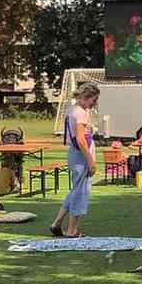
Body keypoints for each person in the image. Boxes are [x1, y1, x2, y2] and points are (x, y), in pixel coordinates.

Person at [50, 82, 100, 237]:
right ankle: (72, 230)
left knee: (76, 190)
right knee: (81, 192)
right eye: (94, 100)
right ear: (86, 97)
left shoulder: (72, 109)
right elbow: (80, 139)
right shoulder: (81, 112)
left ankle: (57, 222)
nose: (94, 103)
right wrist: (91, 161)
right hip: (81, 156)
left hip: (75, 154)